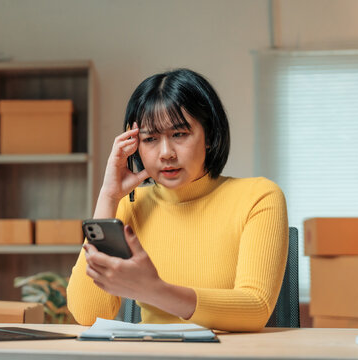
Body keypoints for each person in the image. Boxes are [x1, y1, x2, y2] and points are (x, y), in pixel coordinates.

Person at [66, 68, 288, 332]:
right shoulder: (131, 204)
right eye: (150, 139)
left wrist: (155, 291)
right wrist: (109, 196)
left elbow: (255, 308)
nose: (166, 153)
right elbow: (88, 313)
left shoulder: (258, 197)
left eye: (179, 134)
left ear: (210, 135)